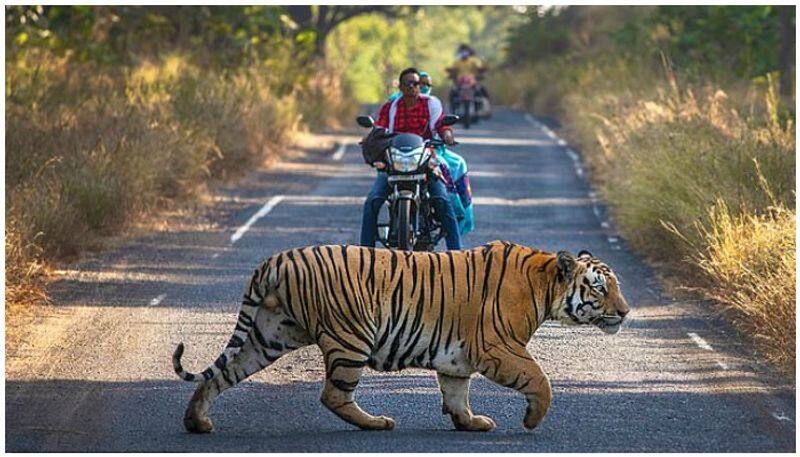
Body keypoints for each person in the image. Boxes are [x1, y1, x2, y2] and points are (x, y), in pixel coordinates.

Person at [360, 67, 462, 250]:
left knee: (442, 200)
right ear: (400, 86)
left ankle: (457, 253)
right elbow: (380, 127)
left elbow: (440, 124)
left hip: (425, 160)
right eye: (408, 83)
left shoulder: (430, 104)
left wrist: (447, 135)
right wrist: (370, 136)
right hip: (395, 161)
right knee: (373, 201)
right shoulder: (390, 107)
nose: (413, 87)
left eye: (416, 84)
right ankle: (364, 254)